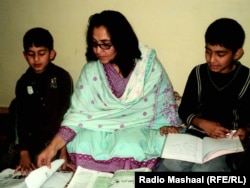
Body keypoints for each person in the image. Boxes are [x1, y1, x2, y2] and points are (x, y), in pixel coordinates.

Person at [37, 10, 182, 173]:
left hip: (138, 127)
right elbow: (77, 115)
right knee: (81, 142)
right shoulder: (91, 71)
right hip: (99, 129)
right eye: (94, 43)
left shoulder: (148, 68)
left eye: (105, 44)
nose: (98, 51)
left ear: (122, 41)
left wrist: (169, 126)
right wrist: (52, 148)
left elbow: (164, 106)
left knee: (131, 145)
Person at [161, 18, 250, 172]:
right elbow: (184, 110)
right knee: (171, 164)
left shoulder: (247, 78)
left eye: (220, 54)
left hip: (227, 142)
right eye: (208, 51)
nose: (211, 59)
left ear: (237, 53)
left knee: (205, 170)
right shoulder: (198, 73)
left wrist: (246, 130)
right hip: (196, 136)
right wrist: (203, 124)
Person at [12, 27, 73, 175]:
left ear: (51, 54)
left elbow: (66, 115)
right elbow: (21, 120)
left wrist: (63, 151)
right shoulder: (23, 83)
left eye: (42, 53)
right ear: (25, 55)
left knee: (62, 169)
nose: (36, 59)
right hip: (32, 142)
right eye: (31, 54)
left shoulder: (62, 77)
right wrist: (24, 153)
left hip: (57, 141)